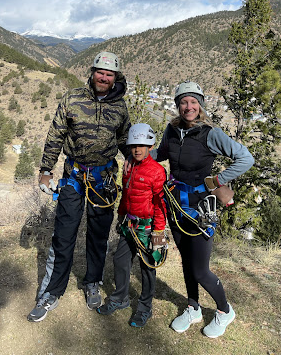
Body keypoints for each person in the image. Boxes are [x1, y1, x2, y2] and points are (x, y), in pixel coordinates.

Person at [27, 51, 131, 322]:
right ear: (93, 72)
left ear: (115, 77)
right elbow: (56, 134)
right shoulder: (73, 98)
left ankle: (92, 282)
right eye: (100, 72)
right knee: (63, 235)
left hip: (103, 179)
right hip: (73, 176)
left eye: (109, 74)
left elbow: (124, 140)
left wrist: (135, 162)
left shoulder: (120, 107)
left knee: (98, 235)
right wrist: (46, 170)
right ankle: (50, 292)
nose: (104, 77)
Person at [155, 80, 254, 339]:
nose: (188, 107)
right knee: (187, 262)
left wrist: (219, 180)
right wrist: (138, 153)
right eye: (183, 102)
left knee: (201, 269)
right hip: (176, 205)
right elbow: (161, 153)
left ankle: (224, 310)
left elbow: (245, 158)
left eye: (193, 102)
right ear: (178, 106)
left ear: (200, 105)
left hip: (201, 208)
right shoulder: (172, 130)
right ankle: (193, 307)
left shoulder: (210, 133)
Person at [97, 123, 167, 328]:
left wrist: (159, 234)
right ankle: (120, 298)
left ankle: (145, 308)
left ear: (151, 146)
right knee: (120, 261)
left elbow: (160, 205)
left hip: (148, 227)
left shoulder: (157, 172)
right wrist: (120, 217)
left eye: (142, 145)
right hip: (129, 224)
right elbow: (126, 196)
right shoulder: (129, 167)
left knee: (148, 267)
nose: (137, 149)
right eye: (134, 145)